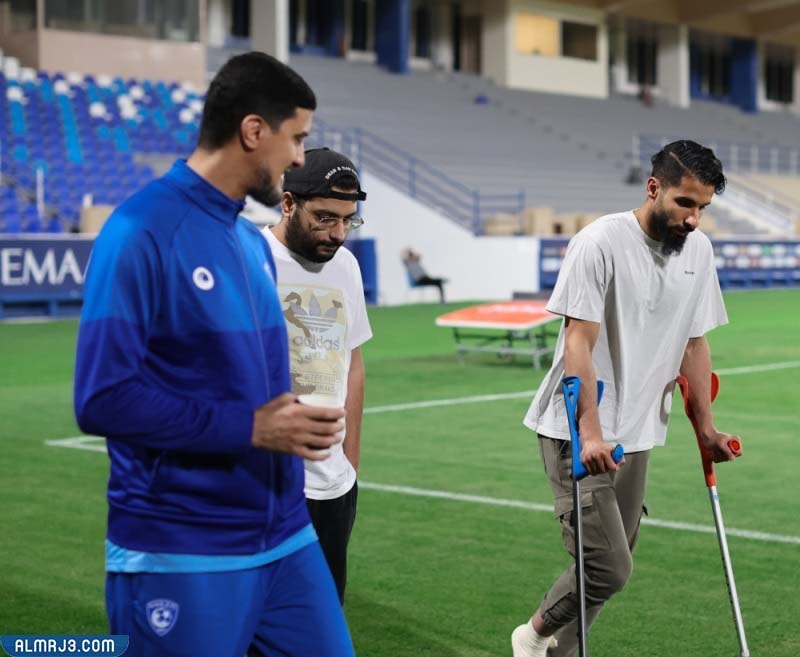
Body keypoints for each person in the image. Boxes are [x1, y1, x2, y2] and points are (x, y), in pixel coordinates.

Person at [73, 52, 354, 657]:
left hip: (283, 535)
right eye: (296, 138)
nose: (300, 158)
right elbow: (100, 398)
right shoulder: (141, 231)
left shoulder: (245, 241)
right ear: (254, 131)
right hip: (182, 543)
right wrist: (253, 426)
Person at [511, 140, 741, 657]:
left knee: (609, 567)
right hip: (577, 430)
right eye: (685, 203)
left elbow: (695, 342)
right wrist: (589, 430)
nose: (694, 219)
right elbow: (578, 342)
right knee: (608, 567)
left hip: (640, 432)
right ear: (654, 188)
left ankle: (556, 651)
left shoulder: (698, 252)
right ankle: (532, 637)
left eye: (703, 208)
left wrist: (707, 428)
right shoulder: (599, 243)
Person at [263, 147, 372, 604]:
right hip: (265, 481)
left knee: (322, 617)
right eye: (325, 217)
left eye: (348, 219)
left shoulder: (346, 265)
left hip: (334, 483)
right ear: (289, 203)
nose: (338, 233)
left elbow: (353, 362)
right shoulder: (250, 257)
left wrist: (350, 461)